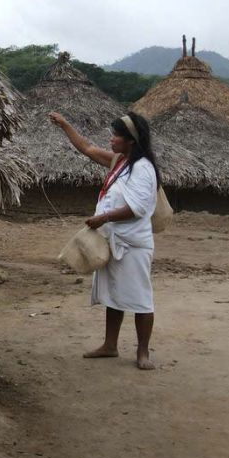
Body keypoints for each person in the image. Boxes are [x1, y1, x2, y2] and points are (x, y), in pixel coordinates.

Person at [49, 111, 160, 370]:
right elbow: (87, 148)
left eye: (116, 135)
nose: (111, 139)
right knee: (114, 295)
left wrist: (104, 218)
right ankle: (110, 345)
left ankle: (143, 352)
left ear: (130, 140)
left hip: (132, 244)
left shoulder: (143, 168)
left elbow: (138, 209)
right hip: (113, 239)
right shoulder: (120, 161)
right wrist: (65, 124)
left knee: (141, 298)